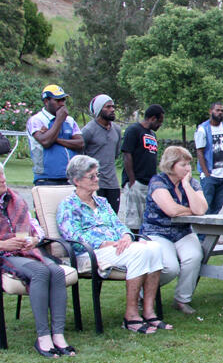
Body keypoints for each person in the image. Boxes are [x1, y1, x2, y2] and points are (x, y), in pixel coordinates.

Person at [0, 158, 75, 356]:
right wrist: (1, 244)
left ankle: (58, 335)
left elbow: (34, 226)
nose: (3, 179)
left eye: (2, 174)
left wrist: (34, 239)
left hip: (23, 250)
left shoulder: (14, 199)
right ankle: (43, 337)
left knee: (55, 271)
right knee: (39, 271)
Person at [58, 155, 169, 335]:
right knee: (139, 252)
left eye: (97, 175)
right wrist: (105, 243)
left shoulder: (101, 202)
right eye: (91, 176)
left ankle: (149, 311)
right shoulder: (68, 206)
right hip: (90, 253)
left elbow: (118, 224)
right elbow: (73, 236)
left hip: (117, 248)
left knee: (154, 246)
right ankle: (131, 316)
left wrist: (126, 236)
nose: (97, 179)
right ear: (77, 181)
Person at [142, 146, 208, 315]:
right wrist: (191, 209)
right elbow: (171, 210)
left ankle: (182, 299)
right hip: (157, 231)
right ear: (171, 165)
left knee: (194, 257)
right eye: (183, 165)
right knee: (170, 268)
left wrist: (186, 186)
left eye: (189, 165)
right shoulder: (158, 182)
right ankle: (142, 293)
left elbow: (202, 209)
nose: (188, 169)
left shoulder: (192, 183)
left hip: (183, 231)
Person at [27, 84, 84, 185]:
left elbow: (80, 143)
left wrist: (56, 139)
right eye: (57, 100)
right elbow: (46, 141)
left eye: (63, 100)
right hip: (46, 178)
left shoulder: (69, 120)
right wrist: (59, 119)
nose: (62, 104)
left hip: (69, 177)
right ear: (46, 101)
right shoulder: (37, 120)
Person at [119, 104, 164, 231]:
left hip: (149, 183)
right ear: (152, 118)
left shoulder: (152, 135)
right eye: (159, 121)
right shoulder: (133, 130)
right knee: (134, 221)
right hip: (136, 182)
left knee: (147, 220)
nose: (160, 125)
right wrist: (132, 180)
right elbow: (127, 155)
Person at [82, 94, 121, 213]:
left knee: (113, 218)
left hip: (113, 183)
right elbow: (80, 156)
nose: (112, 109)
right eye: (108, 107)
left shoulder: (117, 130)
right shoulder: (88, 130)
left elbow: (115, 154)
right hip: (95, 183)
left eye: (113, 106)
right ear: (99, 110)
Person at [195, 102, 223, 215]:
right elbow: (200, 152)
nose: (220, 113)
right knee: (206, 206)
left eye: (222, 110)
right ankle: (202, 233)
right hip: (210, 174)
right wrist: (206, 174)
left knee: (217, 207)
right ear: (211, 111)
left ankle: (213, 233)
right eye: (217, 110)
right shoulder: (203, 129)